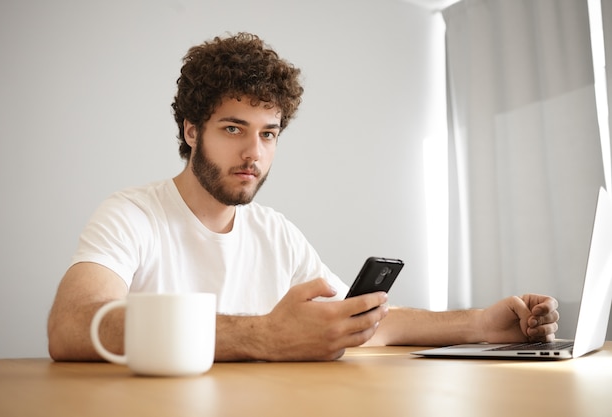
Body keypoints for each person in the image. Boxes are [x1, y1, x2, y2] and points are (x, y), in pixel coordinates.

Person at [47, 32, 559, 362]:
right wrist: (262, 336)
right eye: (233, 128)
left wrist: (482, 325)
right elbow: (73, 326)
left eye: (269, 133)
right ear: (190, 130)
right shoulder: (132, 215)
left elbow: (359, 323)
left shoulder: (275, 233)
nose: (254, 152)